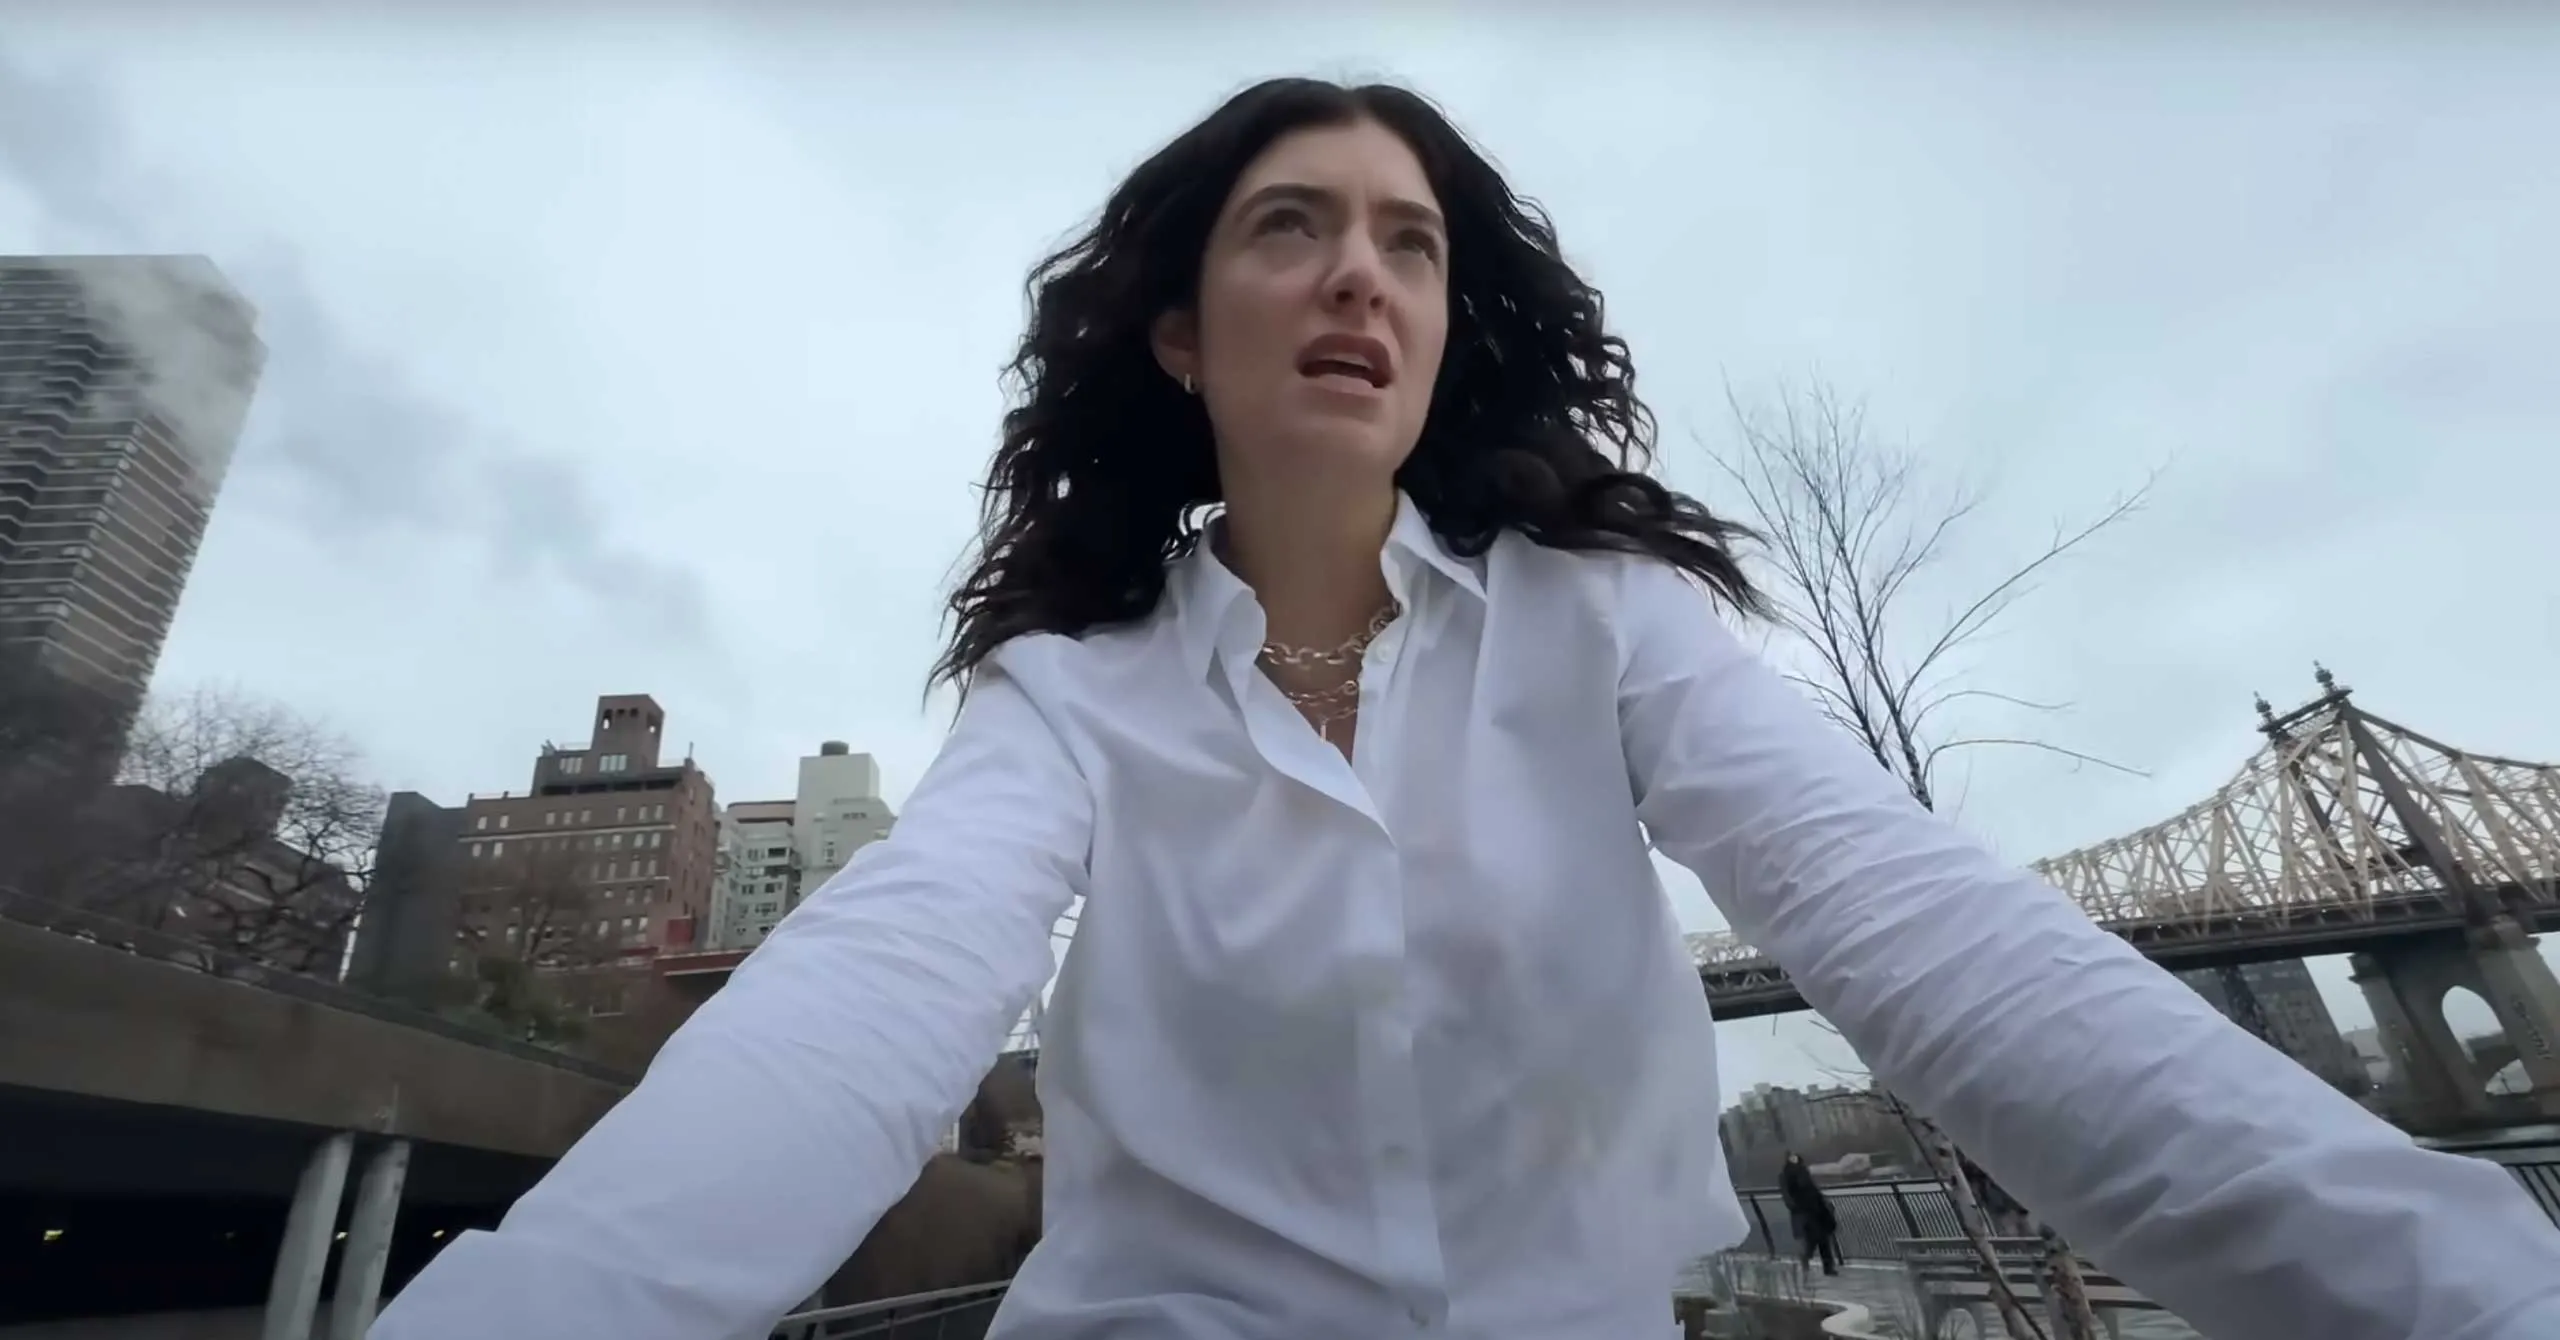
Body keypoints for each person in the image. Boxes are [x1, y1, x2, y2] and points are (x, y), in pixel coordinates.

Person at [372, 77, 2560, 1340]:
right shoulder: (1068, 689)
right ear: (1176, 333)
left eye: (1408, 244)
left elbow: (1916, 931)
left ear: (1444, 322)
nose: (1360, 272)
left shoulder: (1607, 623)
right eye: (1291, 227)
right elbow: (878, 996)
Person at [1778, 1152, 1841, 1277]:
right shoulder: (1787, 1175)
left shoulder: (1801, 1172)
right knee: (1815, 1239)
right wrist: (1795, 1207)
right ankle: (1811, 1260)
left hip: (1815, 1209)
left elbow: (1813, 1189)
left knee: (1821, 1239)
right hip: (1805, 1211)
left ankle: (1824, 1266)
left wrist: (1823, 1201)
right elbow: (1787, 1195)